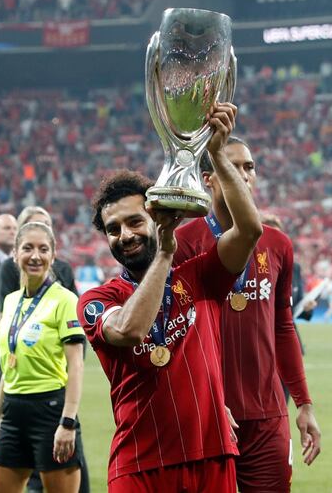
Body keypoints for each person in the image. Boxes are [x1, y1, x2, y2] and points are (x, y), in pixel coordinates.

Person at [77, 103, 263, 492]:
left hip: (212, 456)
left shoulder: (197, 277)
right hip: (141, 466)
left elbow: (248, 230)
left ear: (154, 215)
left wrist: (216, 154)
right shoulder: (97, 299)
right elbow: (128, 331)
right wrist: (164, 251)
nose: (124, 235)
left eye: (134, 221)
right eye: (113, 229)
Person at [174, 136, 321, 492]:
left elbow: (283, 327)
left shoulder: (278, 244)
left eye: (249, 167)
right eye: (234, 165)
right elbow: (178, 337)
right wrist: (208, 401)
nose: (244, 174)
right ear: (209, 178)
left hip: (268, 415)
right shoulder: (184, 243)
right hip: (209, 416)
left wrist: (303, 404)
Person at [0, 206, 89, 493]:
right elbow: (9, 364)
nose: (35, 255)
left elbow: (76, 365)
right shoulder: (10, 301)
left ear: (53, 255)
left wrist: (68, 422)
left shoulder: (64, 299)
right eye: (27, 248)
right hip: (12, 411)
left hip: (50, 411)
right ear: (15, 254)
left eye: (43, 249)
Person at [261, 212, 317, 403]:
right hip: (260, 343)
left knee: (282, 405)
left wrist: (308, 308)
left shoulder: (294, 267)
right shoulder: (248, 265)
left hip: (285, 342)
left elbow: (296, 302)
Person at [0, 206, 78, 310]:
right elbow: (3, 314)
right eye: (35, 225)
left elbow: (76, 313)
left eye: (47, 225)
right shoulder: (9, 271)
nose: (42, 230)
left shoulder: (64, 270)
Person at [0, 214, 18, 418]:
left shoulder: (20, 263)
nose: (12, 232)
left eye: (15, 228)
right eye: (7, 228)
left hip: (12, 342)